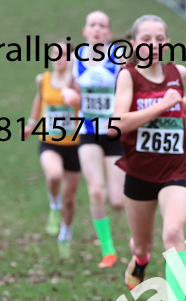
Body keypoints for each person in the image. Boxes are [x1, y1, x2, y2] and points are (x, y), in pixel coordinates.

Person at [112, 15, 186, 301]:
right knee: (142, 244)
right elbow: (117, 123)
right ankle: (141, 260)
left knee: (173, 233)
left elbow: (176, 99)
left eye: (160, 39)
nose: (153, 44)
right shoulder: (128, 76)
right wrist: (160, 106)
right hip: (139, 173)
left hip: (175, 170)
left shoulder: (177, 73)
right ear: (134, 44)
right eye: (146, 39)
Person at [67, 11, 125, 269]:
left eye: (102, 25)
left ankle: (137, 239)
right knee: (96, 190)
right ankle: (108, 250)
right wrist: (67, 93)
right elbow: (66, 85)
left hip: (113, 132)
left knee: (117, 200)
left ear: (109, 33)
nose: (97, 29)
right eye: (93, 25)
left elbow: (129, 88)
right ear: (85, 31)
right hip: (88, 131)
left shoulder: (118, 58)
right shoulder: (76, 58)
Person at [23, 43, 80, 259]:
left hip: (74, 145)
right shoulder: (43, 79)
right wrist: (31, 123)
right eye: (55, 53)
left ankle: (65, 234)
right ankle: (53, 205)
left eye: (64, 54)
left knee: (70, 198)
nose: (59, 57)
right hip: (50, 142)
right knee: (54, 175)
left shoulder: (78, 82)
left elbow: (85, 105)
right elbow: (39, 100)